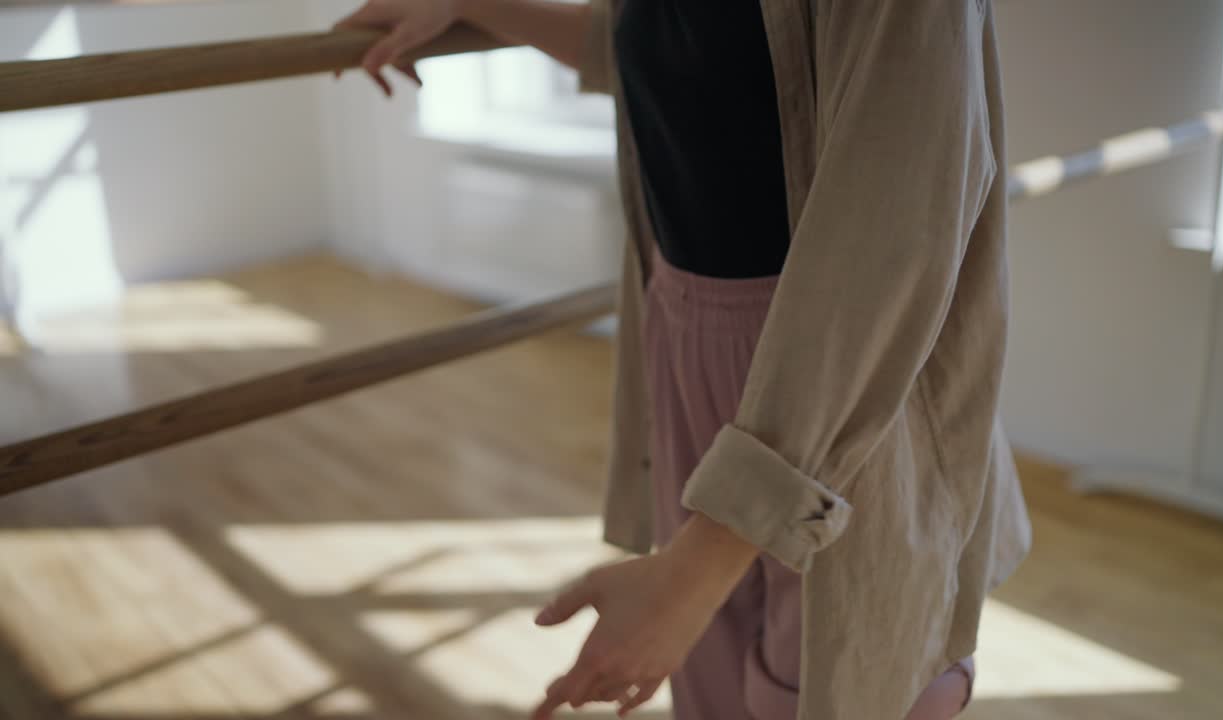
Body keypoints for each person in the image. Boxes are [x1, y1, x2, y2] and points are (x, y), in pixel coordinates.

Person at [333, 1, 1033, 718]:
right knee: (716, 686)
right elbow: (673, 50)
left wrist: (691, 576)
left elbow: (897, 226)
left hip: (833, 363)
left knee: (839, 681)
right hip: (684, 329)